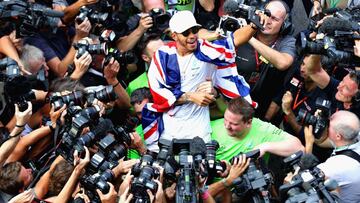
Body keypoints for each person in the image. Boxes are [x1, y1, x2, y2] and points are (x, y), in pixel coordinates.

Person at [143, 10, 260, 151]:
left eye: (195, 30)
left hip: (199, 131)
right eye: (186, 33)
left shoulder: (206, 50)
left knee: (200, 171)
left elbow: (234, 40)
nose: (192, 36)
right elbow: (158, 93)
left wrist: (254, 24)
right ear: (174, 35)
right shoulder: (163, 56)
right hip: (169, 131)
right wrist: (191, 96)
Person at [208, 97, 304, 199]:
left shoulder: (262, 129)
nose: (227, 126)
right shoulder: (211, 127)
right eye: (225, 119)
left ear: (249, 122)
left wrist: (265, 147)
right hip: (213, 189)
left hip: (247, 191)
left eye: (234, 124)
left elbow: (299, 148)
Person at [235, 0, 296, 119]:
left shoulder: (288, 42)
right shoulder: (245, 29)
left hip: (261, 108)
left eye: (274, 19)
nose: (267, 21)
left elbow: (283, 62)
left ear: (285, 24)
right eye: (266, 15)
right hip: (232, 100)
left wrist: (248, 38)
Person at [306, 110, 360, 203]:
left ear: (338, 136)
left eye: (329, 126)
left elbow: (305, 179)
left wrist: (309, 143)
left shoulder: (335, 166)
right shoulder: (354, 134)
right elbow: (321, 142)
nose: (327, 127)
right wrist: (320, 122)